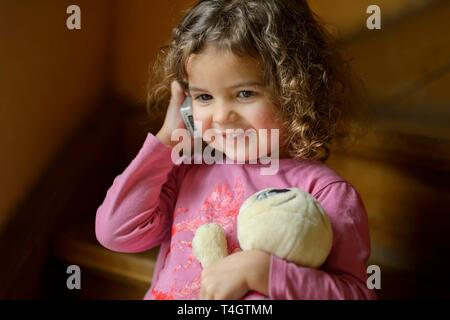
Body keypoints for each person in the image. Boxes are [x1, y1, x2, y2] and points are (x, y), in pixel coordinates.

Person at [95, 0, 376, 300]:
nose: (220, 116)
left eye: (244, 93)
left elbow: (355, 295)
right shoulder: (188, 173)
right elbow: (116, 231)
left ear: (296, 93)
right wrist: (168, 139)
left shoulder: (324, 193)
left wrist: (262, 271)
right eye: (204, 97)